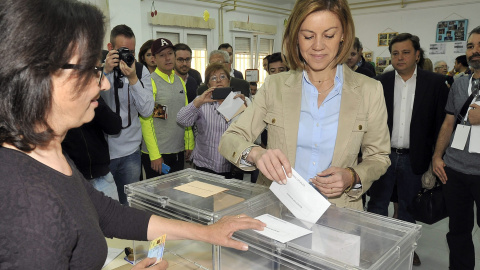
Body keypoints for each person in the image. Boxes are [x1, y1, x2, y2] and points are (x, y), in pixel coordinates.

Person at [0, 0, 266, 269]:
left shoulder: (48, 153)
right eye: (92, 70)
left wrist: (207, 232)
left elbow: (108, 213)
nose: (103, 81)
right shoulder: (23, 199)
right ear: (39, 77)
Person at [218, 0, 390, 210]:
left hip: (339, 213)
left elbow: (379, 157)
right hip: (276, 208)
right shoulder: (275, 86)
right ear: (296, 37)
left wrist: (352, 176)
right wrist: (256, 154)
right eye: (308, 36)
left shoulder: (369, 90)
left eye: (329, 35)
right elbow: (230, 139)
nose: (318, 46)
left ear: (344, 35)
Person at [366, 33, 449, 266]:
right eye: (395, 53)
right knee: (377, 204)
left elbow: (441, 123)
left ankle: (405, 249)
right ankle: (373, 247)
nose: (400, 57)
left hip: (416, 157)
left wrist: (436, 156)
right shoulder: (380, 83)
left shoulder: (433, 84)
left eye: (405, 52)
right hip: (383, 156)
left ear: (417, 55)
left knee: (408, 208)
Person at [432, 26, 480, 270]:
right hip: (455, 170)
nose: (475, 51)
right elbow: (449, 121)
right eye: (470, 46)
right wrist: (438, 157)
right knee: (458, 231)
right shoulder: (460, 84)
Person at [101, 24, 154, 204]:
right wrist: (105, 71)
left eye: (131, 51)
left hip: (131, 151)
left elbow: (147, 111)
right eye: (122, 50)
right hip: (103, 153)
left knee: (128, 206)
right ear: (110, 48)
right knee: (106, 208)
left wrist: (133, 79)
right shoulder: (98, 71)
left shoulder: (140, 70)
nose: (127, 55)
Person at [177, 63, 249, 178]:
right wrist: (198, 102)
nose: (219, 80)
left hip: (231, 165)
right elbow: (182, 120)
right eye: (213, 78)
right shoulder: (201, 101)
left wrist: (246, 106)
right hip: (205, 164)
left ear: (229, 82)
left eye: (222, 77)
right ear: (208, 84)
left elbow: (252, 131)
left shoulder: (239, 101)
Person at [139, 38, 195, 179]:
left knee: (176, 196)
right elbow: (146, 121)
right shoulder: (150, 82)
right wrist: (155, 155)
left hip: (178, 151)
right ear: (154, 59)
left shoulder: (179, 81)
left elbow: (185, 112)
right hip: (158, 154)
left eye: (170, 53)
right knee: (158, 199)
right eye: (162, 55)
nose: (167, 58)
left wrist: (189, 142)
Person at [62, 96, 121, 200]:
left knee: (116, 215)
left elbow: (114, 127)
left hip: (103, 177)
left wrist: (92, 99)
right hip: (72, 181)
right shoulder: (52, 98)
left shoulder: (90, 94)